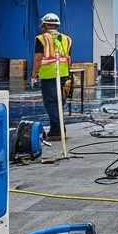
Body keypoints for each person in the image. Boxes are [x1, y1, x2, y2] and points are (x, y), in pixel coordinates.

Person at [33, 13, 72, 141]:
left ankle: (57, 131)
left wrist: (34, 74)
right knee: (59, 102)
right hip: (64, 74)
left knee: (51, 103)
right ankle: (58, 129)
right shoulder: (67, 39)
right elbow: (69, 58)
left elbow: (38, 58)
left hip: (49, 75)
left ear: (45, 25)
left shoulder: (41, 39)